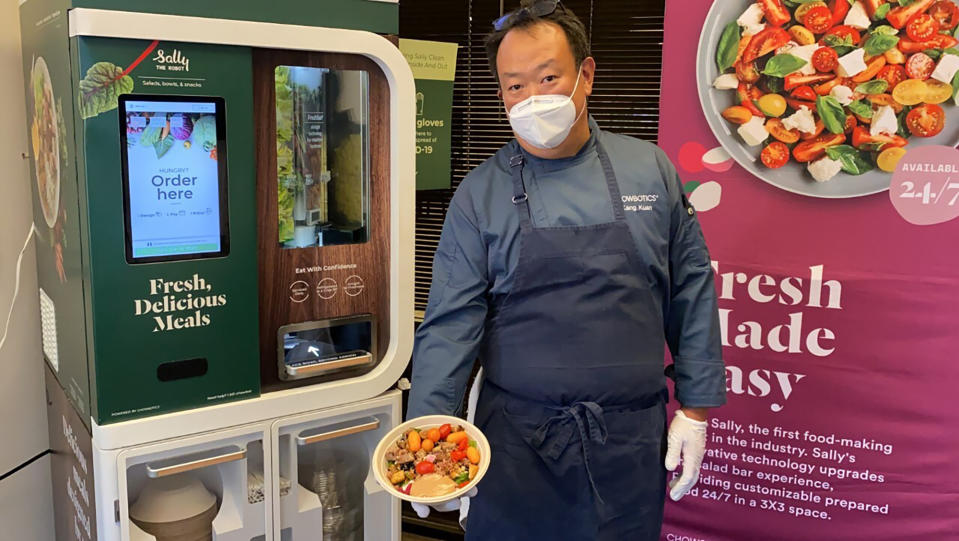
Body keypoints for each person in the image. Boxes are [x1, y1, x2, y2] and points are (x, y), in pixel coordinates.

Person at [405, 1, 725, 539]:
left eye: (548, 77)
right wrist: (430, 433)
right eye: (514, 87)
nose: (532, 99)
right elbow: (449, 324)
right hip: (514, 444)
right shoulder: (480, 194)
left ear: (587, 74)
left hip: (628, 442)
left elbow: (691, 289)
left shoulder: (649, 170)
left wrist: (695, 409)